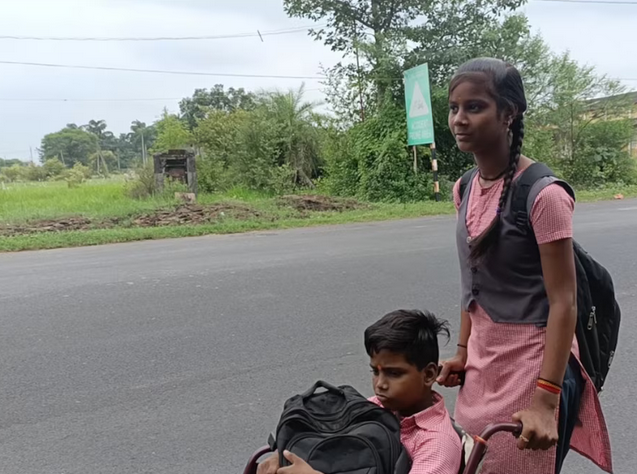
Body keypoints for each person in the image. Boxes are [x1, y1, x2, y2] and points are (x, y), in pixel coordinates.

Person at [436, 58, 613, 474]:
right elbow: (473, 283)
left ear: (509, 113)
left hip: (532, 366)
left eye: (474, 107)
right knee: (474, 461)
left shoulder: (544, 195)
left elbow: (564, 302)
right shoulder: (464, 187)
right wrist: (462, 352)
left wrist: (545, 401)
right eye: (453, 107)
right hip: (483, 363)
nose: (459, 119)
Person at [258, 309, 463, 474]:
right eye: (375, 371)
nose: (380, 384)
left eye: (394, 373)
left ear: (428, 375)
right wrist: (285, 454)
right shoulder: (377, 406)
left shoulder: (437, 444)